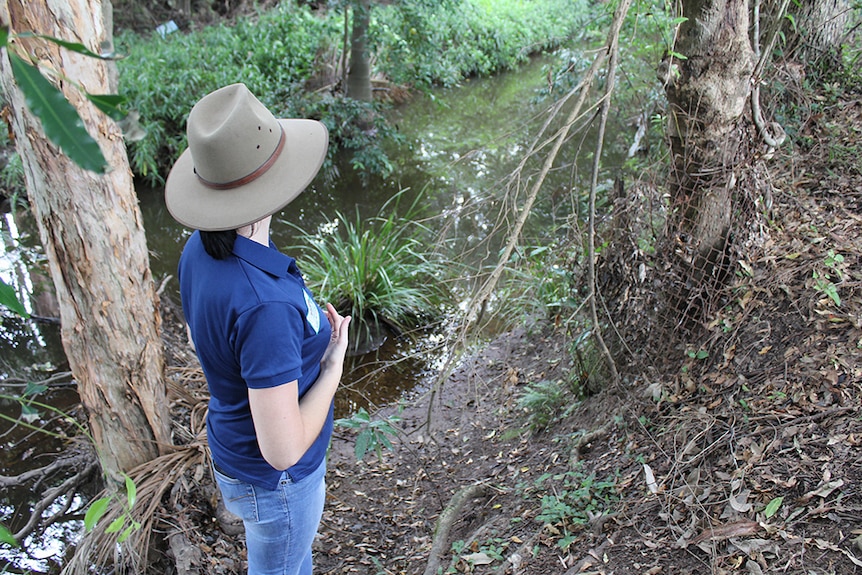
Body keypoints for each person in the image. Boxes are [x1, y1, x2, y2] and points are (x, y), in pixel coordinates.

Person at [164, 83, 351, 575]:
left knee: (283, 557)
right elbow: (284, 451)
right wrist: (332, 364)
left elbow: (200, 337)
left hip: (233, 446)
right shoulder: (264, 305)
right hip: (275, 481)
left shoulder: (199, 249)